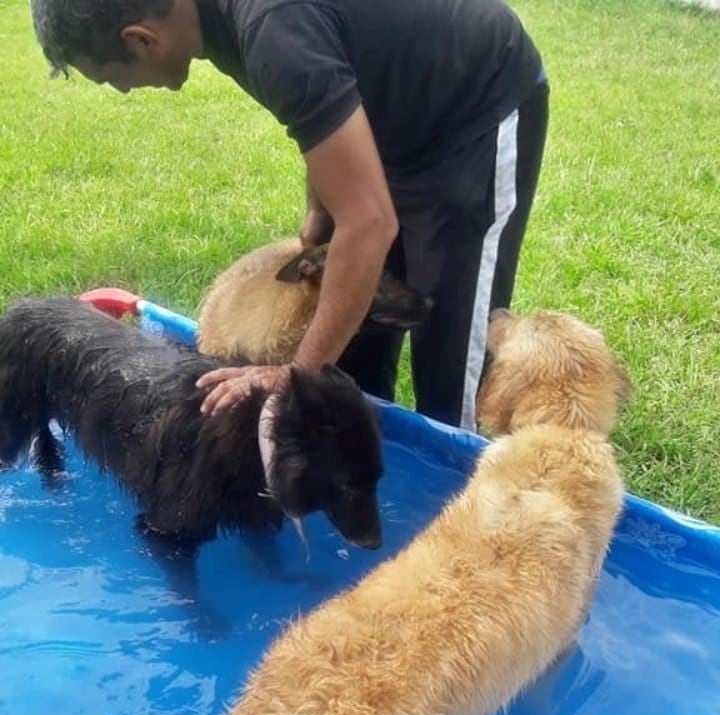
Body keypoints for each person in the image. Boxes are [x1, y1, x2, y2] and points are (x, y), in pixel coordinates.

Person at [31, 0, 549, 430]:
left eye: (112, 80)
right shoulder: (221, 24)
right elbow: (326, 102)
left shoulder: (269, 29)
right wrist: (320, 210)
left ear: (141, 40)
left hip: (472, 115)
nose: (124, 92)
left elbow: (368, 224)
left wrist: (294, 374)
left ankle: (452, 505)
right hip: (392, 120)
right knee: (352, 354)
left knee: (448, 360)